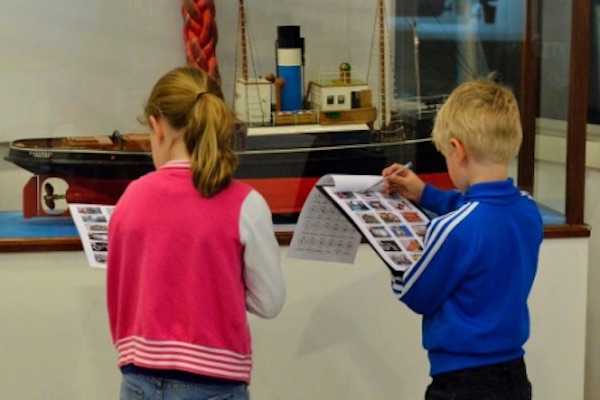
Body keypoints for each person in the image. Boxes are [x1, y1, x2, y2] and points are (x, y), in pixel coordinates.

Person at [106, 66, 286, 400]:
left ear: (156, 126)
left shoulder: (130, 197)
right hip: (214, 384)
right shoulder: (246, 203)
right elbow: (269, 302)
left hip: (136, 380)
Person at [382, 78, 543, 400]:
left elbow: (416, 294)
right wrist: (425, 193)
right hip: (515, 376)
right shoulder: (527, 210)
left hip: (460, 383)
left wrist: (389, 246)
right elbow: (481, 211)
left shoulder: (453, 230)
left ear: (457, 149)